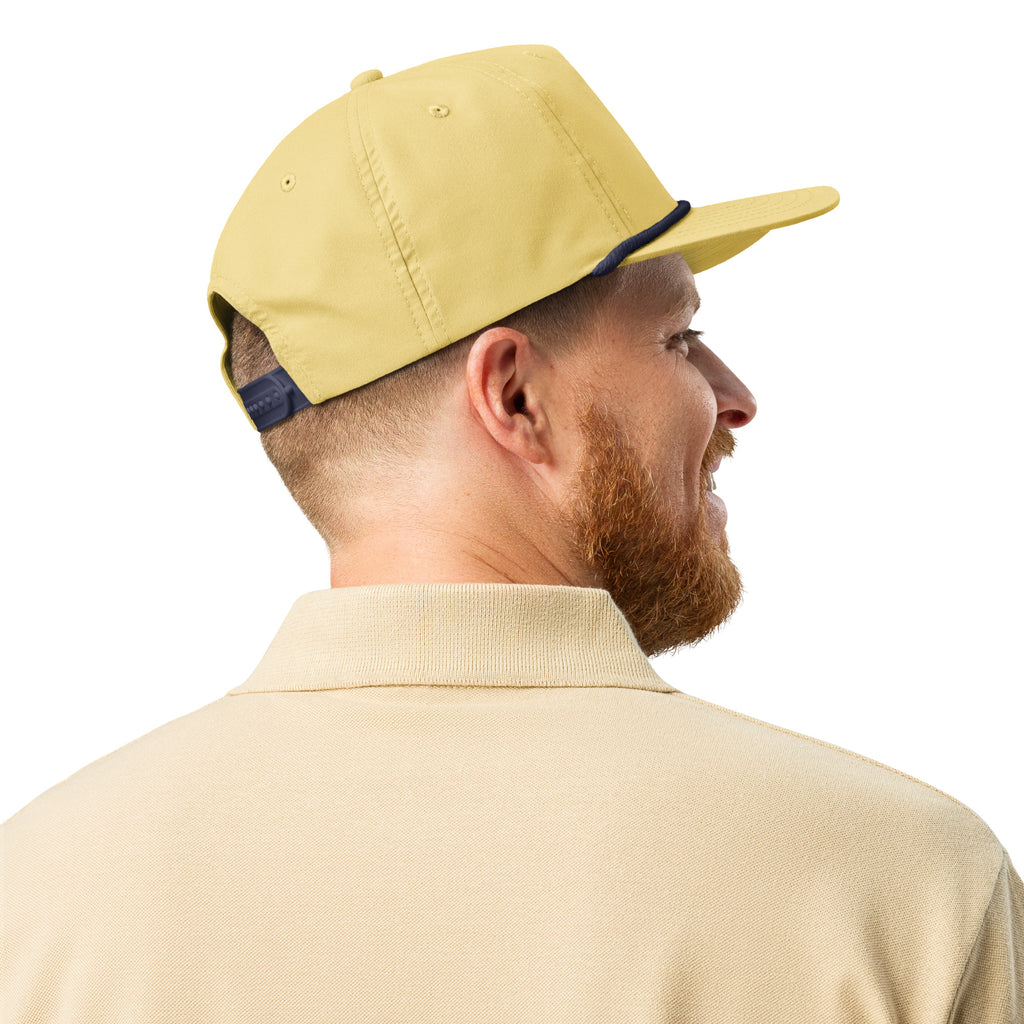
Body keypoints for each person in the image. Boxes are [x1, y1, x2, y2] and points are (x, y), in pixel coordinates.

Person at [2, 43, 1020, 1023]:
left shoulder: (37, 897)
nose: (734, 398)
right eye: (678, 336)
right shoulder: (901, 884)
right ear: (516, 394)